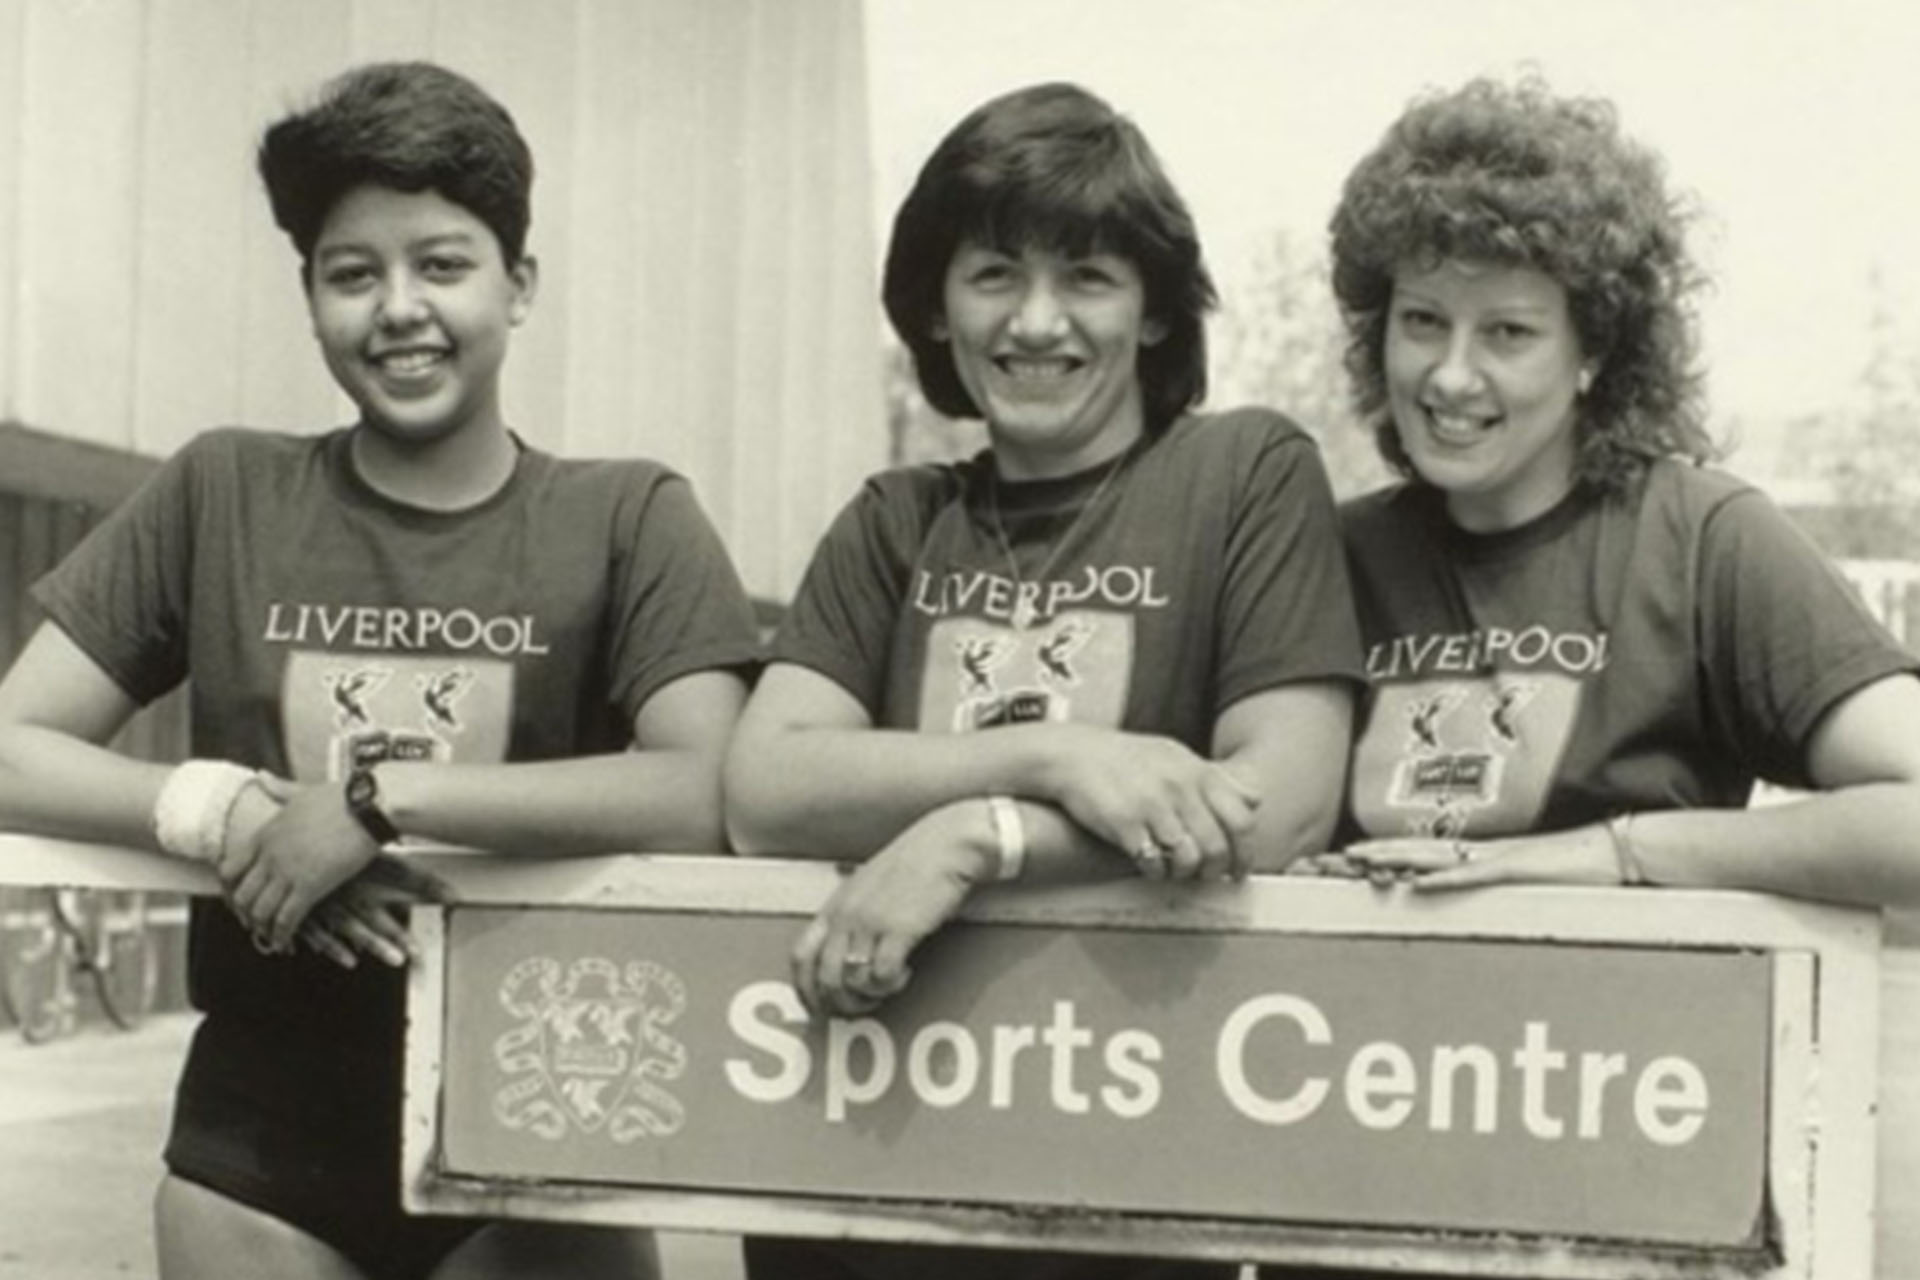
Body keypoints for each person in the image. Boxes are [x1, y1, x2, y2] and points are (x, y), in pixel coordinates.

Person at [0, 62, 760, 1280]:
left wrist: (366, 805)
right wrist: (229, 809)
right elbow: (11, 747)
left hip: (543, 1121)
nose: (398, 307)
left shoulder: (627, 515)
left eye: (443, 264)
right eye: (353, 273)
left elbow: (713, 787)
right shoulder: (225, 490)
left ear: (520, 286)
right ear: (310, 298)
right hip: (261, 1146)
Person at [724, 81, 1364, 1280]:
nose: (1035, 321)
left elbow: (1282, 803)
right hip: (867, 1180)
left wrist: (978, 836)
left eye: (1088, 276)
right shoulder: (896, 518)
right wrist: (1053, 754)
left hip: (1124, 1179)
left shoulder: (1242, 474)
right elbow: (767, 785)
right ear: (936, 309)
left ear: (1160, 311)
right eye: (993, 274)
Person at [1306, 79, 1920, 921]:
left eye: (1508, 332)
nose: (1450, 374)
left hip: (1623, 1047)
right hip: (1366, 1045)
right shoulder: (1327, 556)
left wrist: (1613, 853)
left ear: (1594, 349)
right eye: (1422, 321)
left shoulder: (1703, 541)